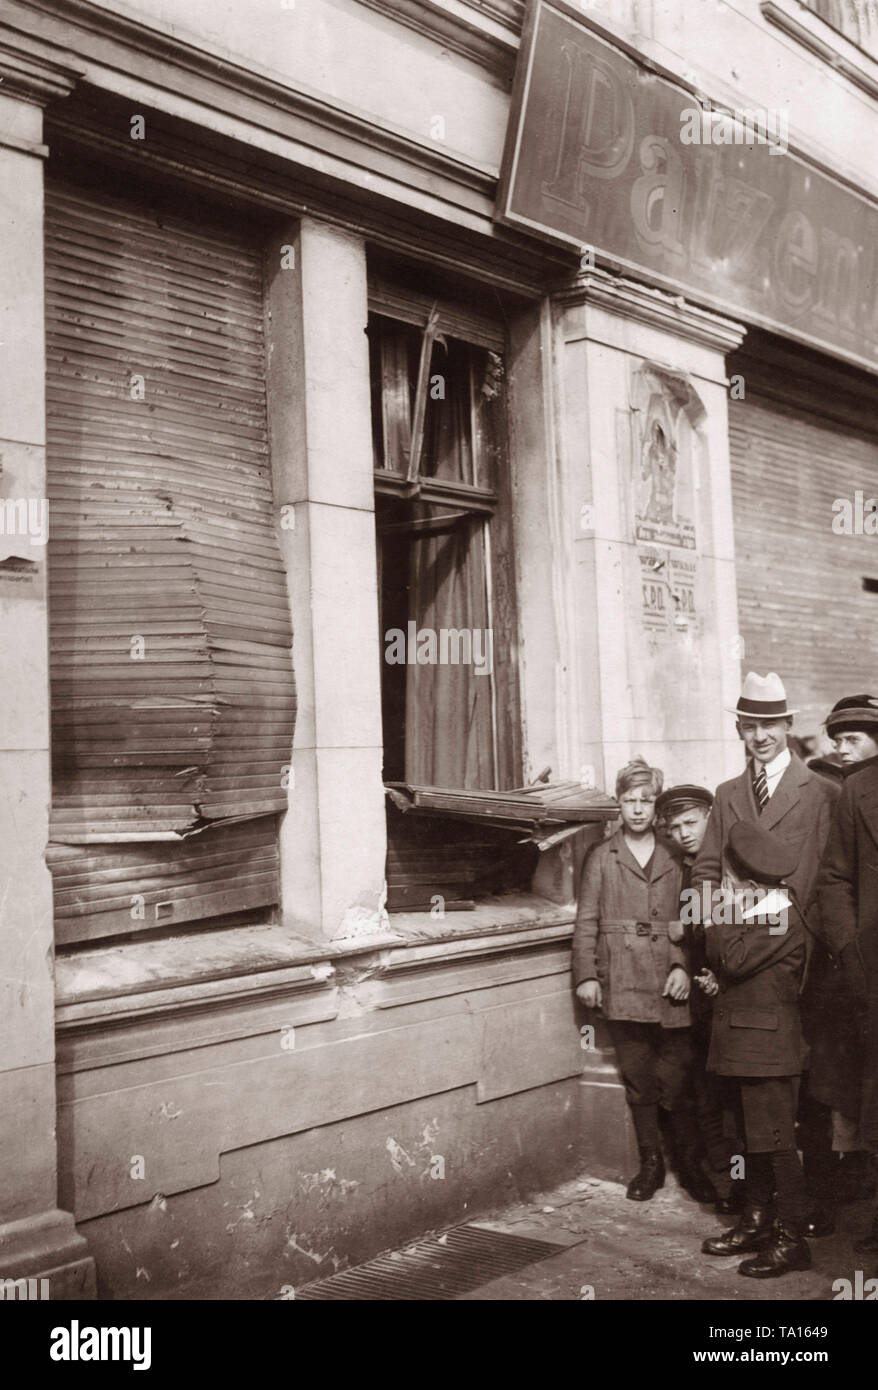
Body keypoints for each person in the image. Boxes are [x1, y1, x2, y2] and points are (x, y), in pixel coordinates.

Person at [573, 757, 707, 1205]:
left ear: (657, 806)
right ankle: (651, 1163)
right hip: (623, 981)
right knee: (639, 1079)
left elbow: (690, 918)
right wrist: (588, 975)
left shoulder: (678, 855)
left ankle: (690, 1165)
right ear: (618, 803)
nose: (636, 809)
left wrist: (681, 966)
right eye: (628, 800)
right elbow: (586, 921)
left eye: (646, 800)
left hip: (671, 986)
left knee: (680, 1078)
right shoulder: (602, 856)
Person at [700, 821, 812, 1277]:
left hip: (768, 1050)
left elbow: (733, 958)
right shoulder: (762, 913)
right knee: (752, 1142)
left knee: (777, 1145)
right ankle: (757, 1221)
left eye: (726, 883)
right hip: (748, 1045)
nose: (723, 890)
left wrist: (714, 917)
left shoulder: (780, 915)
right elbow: (742, 973)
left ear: (745, 883)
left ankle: (792, 1239)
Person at [800, 694, 878, 1235]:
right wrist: (850, 950)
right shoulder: (855, 792)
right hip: (867, 971)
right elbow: (835, 878)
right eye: (838, 738)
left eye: (852, 739)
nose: (840, 748)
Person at [658, 784, 744, 1214]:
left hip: (740, 995)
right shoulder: (679, 871)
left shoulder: (734, 861)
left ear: (711, 817)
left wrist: (685, 928)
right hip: (701, 1003)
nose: (684, 834)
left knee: (740, 1102)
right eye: (674, 827)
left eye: (691, 823)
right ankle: (730, 1186)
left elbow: (720, 923)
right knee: (710, 1097)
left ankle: (752, 1189)